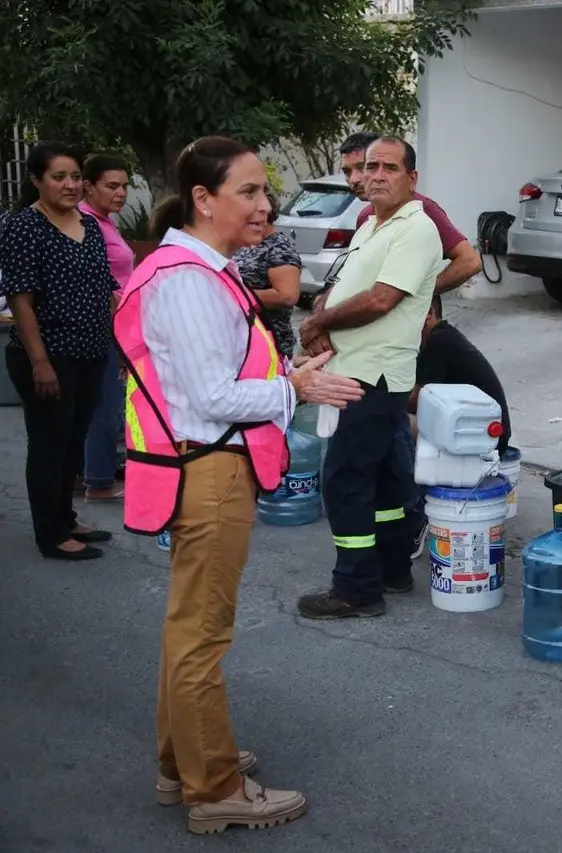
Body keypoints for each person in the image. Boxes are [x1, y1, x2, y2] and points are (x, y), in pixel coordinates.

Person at [114, 136, 364, 833]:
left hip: (203, 465)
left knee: (188, 628)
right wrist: (296, 383)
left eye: (265, 191)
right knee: (203, 635)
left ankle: (183, 761)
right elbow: (211, 397)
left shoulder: (197, 269)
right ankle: (214, 787)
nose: (265, 204)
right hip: (210, 467)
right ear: (203, 199)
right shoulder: (188, 280)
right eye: (248, 191)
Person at [296, 135, 447, 619]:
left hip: (371, 374)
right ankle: (391, 569)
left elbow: (382, 299)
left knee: (345, 479)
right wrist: (322, 313)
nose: (376, 174)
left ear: (412, 178)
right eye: (370, 165)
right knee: (382, 477)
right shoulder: (373, 225)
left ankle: (356, 588)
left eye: (389, 167)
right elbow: (344, 287)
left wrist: (320, 322)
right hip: (359, 368)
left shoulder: (416, 228)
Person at [0, 141, 118, 560]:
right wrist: (40, 361)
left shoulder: (88, 225)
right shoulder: (24, 227)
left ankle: (66, 518)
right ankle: (50, 535)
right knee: (49, 442)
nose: (70, 185)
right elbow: (20, 299)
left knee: (73, 440)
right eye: (58, 177)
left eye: (74, 177)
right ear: (36, 181)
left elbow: (106, 287)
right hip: (49, 357)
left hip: (90, 352)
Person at [407, 292, 514, 562]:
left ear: (428, 313)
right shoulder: (442, 337)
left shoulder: (438, 342)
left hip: (478, 436)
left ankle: (415, 519)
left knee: (394, 428)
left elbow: (416, 400)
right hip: (474, 430)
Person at [326, 130, 480, 301]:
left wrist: (419, 293)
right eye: (347, 171)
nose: (354, 179)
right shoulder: (366, 217)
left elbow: (470, 261)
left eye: (362, 167)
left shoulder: (421, 210)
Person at [78, 153, 134, 502]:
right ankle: (98, 481)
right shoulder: (87, 223)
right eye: (112, 186)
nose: (121, 193)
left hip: (120, 324)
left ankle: (94, 471)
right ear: (89, 186)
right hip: (108, 326)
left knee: (106, 403)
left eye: (125, 186)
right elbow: (99, 283)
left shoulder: (105, 221)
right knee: (107, 405)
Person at [231, 192, 301, 357]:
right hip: (244, 338)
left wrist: (236, 294)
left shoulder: (279, 248)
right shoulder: (249, 243)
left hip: (271, 340)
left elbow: (287, 296)